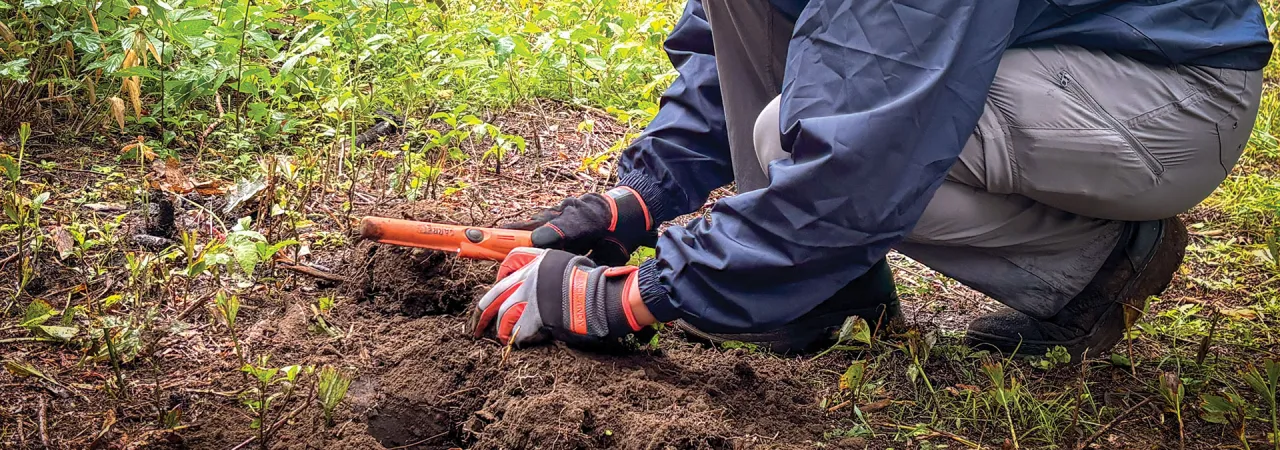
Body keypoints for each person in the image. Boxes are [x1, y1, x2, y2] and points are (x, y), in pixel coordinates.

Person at [467, 0, 1273, 361]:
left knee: (795, 135)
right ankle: (825, 297)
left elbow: (860, 166)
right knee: (797, 115)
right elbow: (743, 33)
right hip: (1045, 51)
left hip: (1167, 89)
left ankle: (1098, 262)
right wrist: (640, 197)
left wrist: (631, 297)